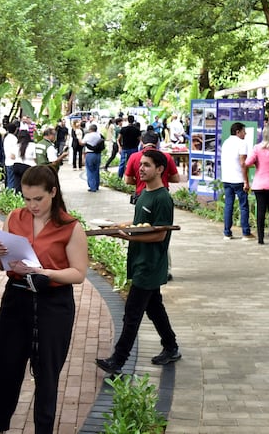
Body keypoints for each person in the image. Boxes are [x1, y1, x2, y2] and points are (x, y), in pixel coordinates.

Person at [0, 166, 88, 434]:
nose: (31, 205)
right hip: (16, 298)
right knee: (6, 368)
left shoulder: (69, 225)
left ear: (53, 193)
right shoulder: (14, 217)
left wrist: (46, 273)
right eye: (26, 198)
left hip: (53, 302)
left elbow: (78, 273)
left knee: (47, 374)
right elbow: (2, 266)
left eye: (38, 199)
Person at [96, 150, 181, 375]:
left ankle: (118, 361)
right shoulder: (143, 194)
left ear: (160, 169)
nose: (141, 169)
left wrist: (126, 236)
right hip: (139, 260)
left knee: (132, 314)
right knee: (154, 309)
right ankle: (171, 347)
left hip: (150, 265)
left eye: (147, 165)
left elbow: (160, 235)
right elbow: (139, 223)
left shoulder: (163, 199)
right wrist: (116, 226)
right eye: (140, 164)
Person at [220, 122, 253, 241]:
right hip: (238, 179)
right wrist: (246, 181)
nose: (245, 133)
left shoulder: (226, 143)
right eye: (244, 131)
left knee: (228, 205)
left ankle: (227, 232)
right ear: (237, 132)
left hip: (227, 178)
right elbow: (243, 164)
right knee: (243, 206)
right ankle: (245, 232)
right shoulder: (242, 143)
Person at [80, 123, 104, 192]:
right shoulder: (99, 135)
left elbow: (82, 143)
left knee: (90, 171)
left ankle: (92, 187)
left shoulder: (88, 135)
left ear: (90, 129)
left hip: (90, 154)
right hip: (98, 154)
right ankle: (96, 185)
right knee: (96, 170)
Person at [11, 130, 36, 194]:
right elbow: (35, 158)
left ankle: (18, 198)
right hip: (28, 167)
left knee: (17, 184)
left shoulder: (16, 145)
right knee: (27, 184)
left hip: (16, 165)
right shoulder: (32, 145)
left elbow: (12, 157)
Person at [3, 121, 19, 189]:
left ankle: (7, 193)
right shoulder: (14, 139)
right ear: (15, 130)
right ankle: (10, 195)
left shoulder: (6, 138)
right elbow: (14, 152)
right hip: (13, 162)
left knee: (9, 179)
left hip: (7, 161)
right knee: (12, 181)